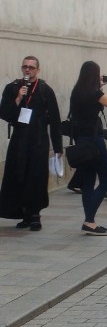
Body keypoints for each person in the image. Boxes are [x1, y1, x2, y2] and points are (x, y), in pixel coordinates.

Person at [0, 56, 63, 231]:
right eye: (25, 67)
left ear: (37, 70)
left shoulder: (44, 90)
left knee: (36, 177)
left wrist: (58, 147)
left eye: (31, 67)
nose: (28, 70)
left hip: (38, 141)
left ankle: (35, 214)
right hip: (19, 140)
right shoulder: (13, 88)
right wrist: (18, 99)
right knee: (19, 175)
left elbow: (56, 120)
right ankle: (25, 213)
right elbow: (5, 113)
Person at [69, 62, 107, 236]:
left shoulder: (77, 91)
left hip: (81, 140)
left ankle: (91, 222)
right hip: (94, 141)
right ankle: (88, 220)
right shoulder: (95, 93)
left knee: (88, 181)